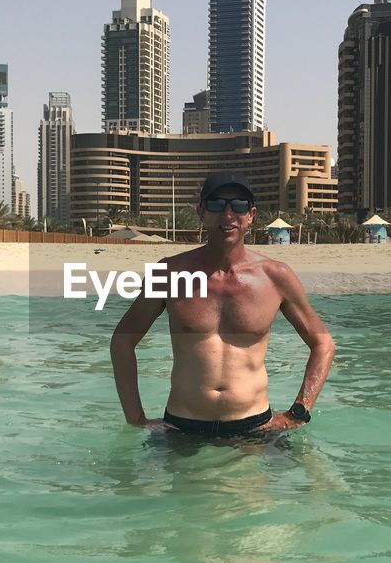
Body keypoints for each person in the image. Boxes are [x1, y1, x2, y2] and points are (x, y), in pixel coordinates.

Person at [110, 172, 335, 440]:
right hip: (182, 428)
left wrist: (299, 412)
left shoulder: (275, 276)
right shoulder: (169, 273)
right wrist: (136, 419)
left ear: (251, 214)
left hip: (255, 429)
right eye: (216, 204)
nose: (228, 214)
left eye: (238, 205)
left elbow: (323, 344)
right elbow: (122, 342)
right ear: (201, 212)